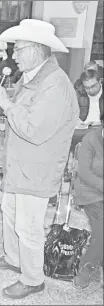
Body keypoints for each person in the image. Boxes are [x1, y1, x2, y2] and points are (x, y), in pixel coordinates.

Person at [0, 19, 79, 299]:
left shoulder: (55, 84)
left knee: (28, 227)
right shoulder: (32, 78)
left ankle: (32, 279)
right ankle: (15, 260)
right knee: (11, 215)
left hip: (36, 169)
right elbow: (22, 117)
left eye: (19, 49)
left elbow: (35, 130)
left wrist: (5, 103)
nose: (13, 55)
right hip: (19, 166)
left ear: (38, 50)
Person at [72, 113, 103, 290]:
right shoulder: (91, 139)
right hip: (90, 192)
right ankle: (87, 265)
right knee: (102, 230)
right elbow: (84, 172)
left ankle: (97, 262)